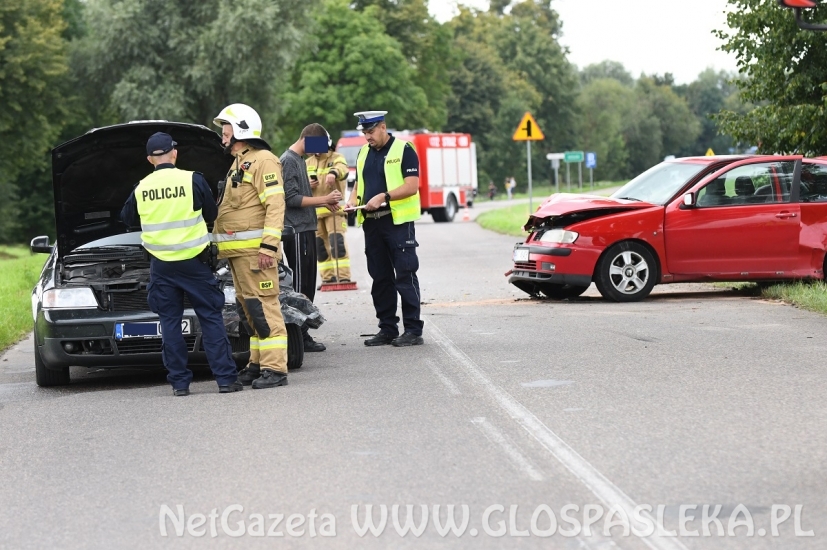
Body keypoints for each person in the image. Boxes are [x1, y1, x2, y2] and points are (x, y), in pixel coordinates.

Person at [120, 132, 241, 396]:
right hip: (194, 263)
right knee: (210, 319)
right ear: (174, 153)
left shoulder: (141, 187)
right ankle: (225, 380)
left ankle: (179, 384)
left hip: (162, 266)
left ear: (150, 159)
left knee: (170, 324)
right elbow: (212, 213)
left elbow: (127, 218)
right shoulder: (192, 179)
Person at [212, 103, 289, 389]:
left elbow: (275, 204)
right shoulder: (239, 162)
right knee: (249, 309)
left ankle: (275, 369)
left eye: (226, 129)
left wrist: (269, 247)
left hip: (257, 254)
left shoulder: (264, 160)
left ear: (241, 129)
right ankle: (258, 363)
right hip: (239, 254)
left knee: (264, 307)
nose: (222, 135)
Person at [345, 110, 424, 347]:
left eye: (370, 132)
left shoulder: (404, 150)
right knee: (380, 278)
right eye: (364, 133)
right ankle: (387, 328)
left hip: (396, 222)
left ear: (383, 127)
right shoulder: (363, 153)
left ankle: (412, 330)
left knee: (405, 274)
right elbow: (360, 182)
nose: (367, 137)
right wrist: (351, 200)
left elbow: (412, 186)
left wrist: (385, 196)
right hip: (372, 223)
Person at [280, 124, 342, 352]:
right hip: (295, 231)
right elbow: (291, 199)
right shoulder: (288, 160)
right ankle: (296, 337)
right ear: (308, 139)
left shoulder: (299, 159)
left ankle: (303, 333)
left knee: (307, 284)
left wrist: (325, 202)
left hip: (306, 228)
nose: (320, 153)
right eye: (318, 146)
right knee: (298, 287)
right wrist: (323, 199)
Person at [305, 129, 352, 286]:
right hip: (316, 213)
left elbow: (342, 170)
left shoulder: (337, 158)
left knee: (337, 244)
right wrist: (307, 185)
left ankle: (343, 277)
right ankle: (328, 278)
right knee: (320, 247)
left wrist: (333, 173)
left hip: (335, 211)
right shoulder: (308, 162)